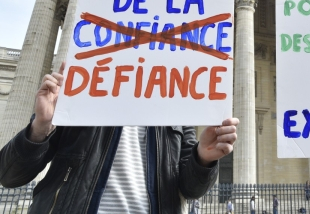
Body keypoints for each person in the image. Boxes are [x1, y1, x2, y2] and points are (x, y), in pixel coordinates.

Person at [0, 64, 239, 213]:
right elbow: (9, 176)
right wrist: (41, 126)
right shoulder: (79, 92)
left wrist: (203, 159)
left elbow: (190, 189)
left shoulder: (178, 103)